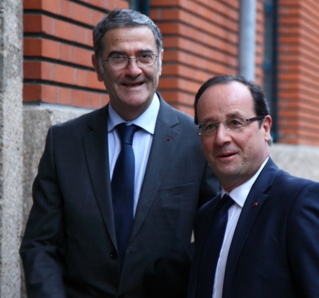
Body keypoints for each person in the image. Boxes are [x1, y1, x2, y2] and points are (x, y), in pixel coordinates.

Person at [19, 9, 218, 298]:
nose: (133, 69)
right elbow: (41, 244)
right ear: (98, 67)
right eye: (118, 57)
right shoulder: (63, 142)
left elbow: (218, 236)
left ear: (160, 63)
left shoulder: (197, 139)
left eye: (145, 56)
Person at [187, 75, 319, 297]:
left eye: (235, 122)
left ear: (266, 127)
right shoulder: (207, 216)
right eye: (210, 126)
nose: (221, 138)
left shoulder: (301, 203)